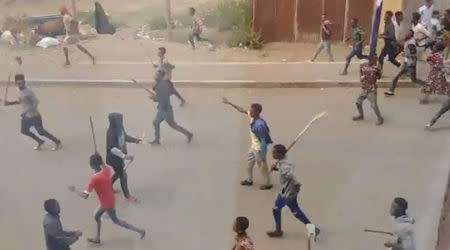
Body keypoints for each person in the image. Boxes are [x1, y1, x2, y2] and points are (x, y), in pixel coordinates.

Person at [68, 154, 146, 244]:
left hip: (106, 203)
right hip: (109, 199)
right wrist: (98, 156)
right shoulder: (106, 170)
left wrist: (74, 190)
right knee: (97, 216)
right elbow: (103, 165)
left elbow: (85, 196)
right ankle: (97, 237)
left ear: (92, 166)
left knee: (116, 221)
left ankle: (140, 230)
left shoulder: (94, 179)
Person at [266, 144, 320, 238]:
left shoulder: (286, 167)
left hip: (289, 190)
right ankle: (313, 228)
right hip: (287, 189)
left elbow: (291, 175)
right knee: (294, 210)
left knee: (282, 209)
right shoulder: (284, 159)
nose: (272, 154)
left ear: (280, 154)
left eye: (274, 152)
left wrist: (296, 184)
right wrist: (277, 168)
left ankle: (279, 231)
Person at [222, 97, 273, 190]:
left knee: (262, 167)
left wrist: (263, 155)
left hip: (259, 149)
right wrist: (229, 103)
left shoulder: (260, 125)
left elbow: (264, 140)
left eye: (252, 110)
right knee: (249, 164)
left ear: (257, 112)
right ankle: (249, 180)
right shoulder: (252, 116)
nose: (249, 111)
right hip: (253, 147)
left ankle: (268, 184)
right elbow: (241, 109)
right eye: (250, 110)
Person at [3, 74, 62, 150]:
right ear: (15, 83)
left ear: (24, 82)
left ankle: (57, 142)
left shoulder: (28, 91)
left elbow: (36, 102)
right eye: (17, 83)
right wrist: (9, 103)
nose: (19, 85)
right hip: (26, 116)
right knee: (24, 131)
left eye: (21, 83)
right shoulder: (19, 90)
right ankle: (40, 141)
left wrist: (27, 111)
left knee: (41, 131)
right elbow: (22, 101)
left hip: (34, 116)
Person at [150, 66, 193, 145]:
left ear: (160, 77)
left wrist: (154, 98)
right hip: (163, 109)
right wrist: (181, 100)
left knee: (173, 125)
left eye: (156, 75)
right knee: (156, 123)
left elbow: (161, 98)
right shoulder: (164, 84)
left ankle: (188, 134)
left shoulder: (161, 86)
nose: (155, 76)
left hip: (165, 109)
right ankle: (157, 140)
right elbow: (173, 92)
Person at [106, 113, 141, 202]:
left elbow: (124, 136)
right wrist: (125, 156)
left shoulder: (120, 129)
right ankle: (127, 196)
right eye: (119, 120)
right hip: (114, 159)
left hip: (120, 158)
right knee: (123, 176)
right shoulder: (111, 133)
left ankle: (108, 186)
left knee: (118, 173)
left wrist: (135, 140)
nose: (121, 122)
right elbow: (112, 149)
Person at [385, 30, 426, 96]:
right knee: (396, 76)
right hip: (406, 63)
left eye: (408, 34)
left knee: (414, 80)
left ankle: (426, 85)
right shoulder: (408, 42)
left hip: (411, 64)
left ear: (411, 35)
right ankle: (391, 91)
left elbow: (413, 54)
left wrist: (405, 54)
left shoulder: (411, 43)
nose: (406, 34)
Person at [353, 54, 384, 126]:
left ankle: (380, 118)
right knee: (358, 103)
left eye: (376, 59)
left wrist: (375, 74)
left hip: (372, 89)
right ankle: (361, 115)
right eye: (374, 59)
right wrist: (362, 79)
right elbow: (360, 74)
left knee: (373, 105)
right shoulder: (363, 65)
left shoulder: (377, 67)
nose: (375, 61)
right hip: (364, 89)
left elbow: (379, 77)